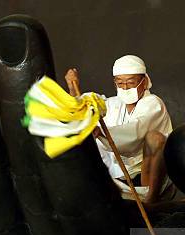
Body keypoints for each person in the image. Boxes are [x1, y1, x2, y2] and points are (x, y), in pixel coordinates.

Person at [64, 54, 173, 202]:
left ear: (144, 81)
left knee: (155, 138)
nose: (125, 87)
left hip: (145, 176)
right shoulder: (112, 104)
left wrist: (102, 132)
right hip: (117, 178)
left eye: (130, 82)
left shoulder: (153, 104)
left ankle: (151, 199)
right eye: (120, 83)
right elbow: (85, 105)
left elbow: (135, 132)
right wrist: (72, 89)